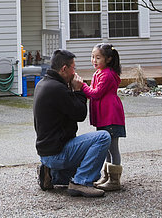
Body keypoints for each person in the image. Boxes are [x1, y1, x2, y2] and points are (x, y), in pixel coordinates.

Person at [33, 49, 111, 197]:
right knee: (103, 137)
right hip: (57, 153)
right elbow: (80, 114)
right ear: (64, 69)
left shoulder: (44, 84)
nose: (75, 72)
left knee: (95, 175)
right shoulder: (57, 89)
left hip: (47, 152)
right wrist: (78, 91)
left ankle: (51, 175)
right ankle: (80, 183)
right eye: (73, 68)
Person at [79, 43, 126, 191]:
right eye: (92, 57)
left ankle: (114, 180)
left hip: (111, 115)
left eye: (98, 57)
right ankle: (106, 176)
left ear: (108, 59)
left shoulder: (107, 75)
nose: (94, 60)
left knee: (112, 148)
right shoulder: (98, 73)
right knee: (105, 147)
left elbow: (96, 93)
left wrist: (82, 86)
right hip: (104, 115)